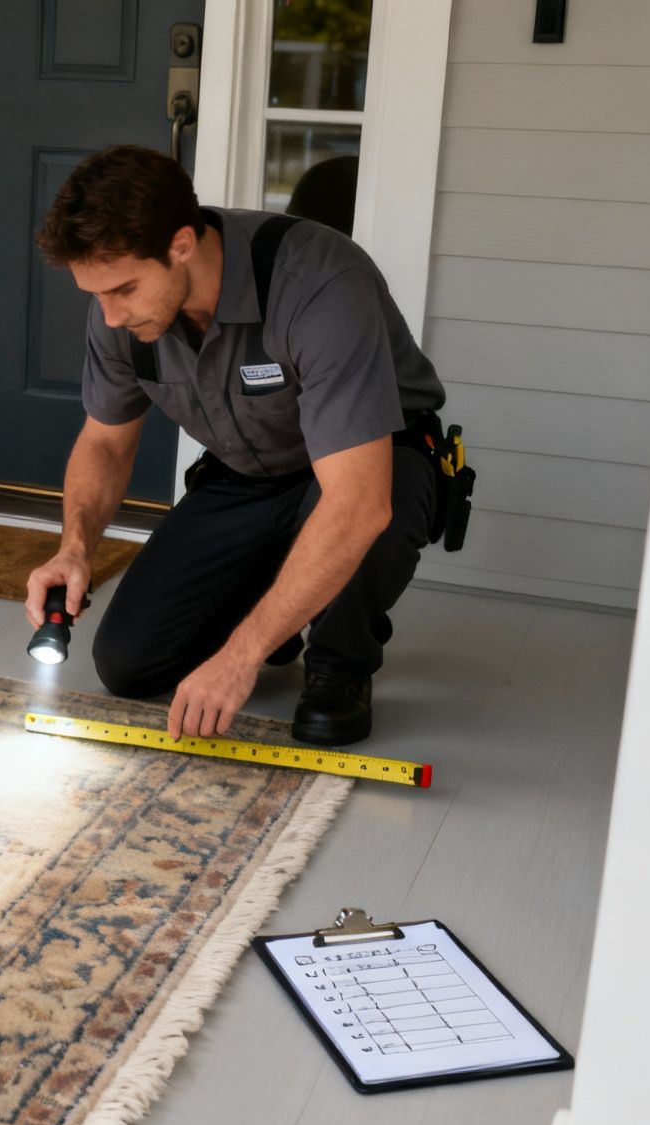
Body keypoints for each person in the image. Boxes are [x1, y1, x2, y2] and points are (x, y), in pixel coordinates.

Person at [24, 145, 446, 746]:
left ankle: (339, 665)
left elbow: (359, 503)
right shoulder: (123, 315)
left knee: (375, 508)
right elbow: (106, 444)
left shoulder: (319, 284)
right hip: (246, 474)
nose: (111, 317)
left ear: (180, 244)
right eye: (96, 295)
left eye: (122, 290)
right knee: (127, 663)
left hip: (371, 464)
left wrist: (241, 656)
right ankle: (285, 602)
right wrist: (74, 548)